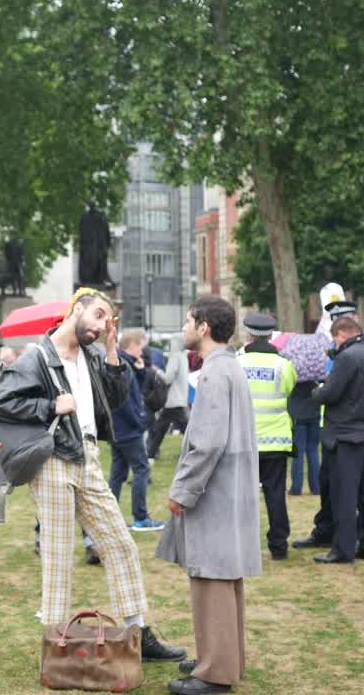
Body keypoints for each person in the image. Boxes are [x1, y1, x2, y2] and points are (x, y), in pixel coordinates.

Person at [0, 287, 186, 663]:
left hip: (89, 456)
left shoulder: (94, 355)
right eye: (97, 316)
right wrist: (49, 405)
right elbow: (3, 402)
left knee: (120, 543)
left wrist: (113, 349)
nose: (101, 326)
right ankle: (56, 642)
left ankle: (137, 632)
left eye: (108, 320)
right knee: (59, 555)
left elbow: (115, 398)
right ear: (76, 309)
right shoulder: (38, 357)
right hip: (52, 462)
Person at [158, 295, 260, 695]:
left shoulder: (217, 373)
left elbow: (207, 442)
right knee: (224, 576)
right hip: (228, 488)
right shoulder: (227, 367)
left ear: (203, 327)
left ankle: (216, 672)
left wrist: (183, 490)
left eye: (187, 320)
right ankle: (222, 658)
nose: (183, 327)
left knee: (212, 576)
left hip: (215, 491)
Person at [308, 317, 364, 564]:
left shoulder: (347, 358)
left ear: (342, 333)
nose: (335, 343)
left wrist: (316, 390)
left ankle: (342, 549)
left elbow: (329, 394)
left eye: (335, 338)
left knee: (344, 494)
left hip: (344, 435)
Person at [236, 313, 295, 560]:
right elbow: (289, 390)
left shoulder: (237, 363)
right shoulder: (284, 365)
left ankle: (244, 545)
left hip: (244, 440)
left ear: (249, 334)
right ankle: (279, 546)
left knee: (243, 496)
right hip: (276, 441)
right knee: (275, 494)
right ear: (271, 336)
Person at [110, 328, 164, 531]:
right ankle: (141, 517)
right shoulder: (124, 367)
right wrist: (139, 421)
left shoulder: (124, 364)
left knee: (118, 474)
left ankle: (110, 519)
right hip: (128, 430)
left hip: (118, 429)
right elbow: (126, 401)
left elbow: (134, 391)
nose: (143, 352)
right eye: (141, 347)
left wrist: (141, 371)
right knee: (141, 470)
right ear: (132, 346)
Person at [281, 333, 330, 496]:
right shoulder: (317, 375)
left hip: (297, 415)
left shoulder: (293, 372)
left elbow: (286, 389)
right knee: (313, 451)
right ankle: (316, 487)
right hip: (314, 414)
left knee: (298, 452)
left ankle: (296, 487)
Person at [148, 335, 190, 461]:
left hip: (173, 400)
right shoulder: (183, 356)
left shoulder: (175, 357)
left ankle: (151, 455)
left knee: (161, 429)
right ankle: (151, 454)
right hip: (181, 398)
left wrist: (156, 371)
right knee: (162, 429)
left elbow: (168, 378)